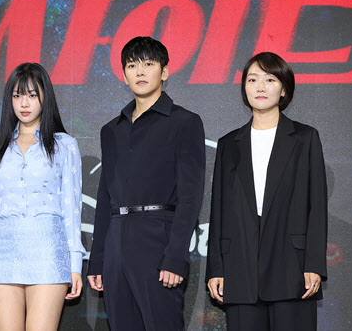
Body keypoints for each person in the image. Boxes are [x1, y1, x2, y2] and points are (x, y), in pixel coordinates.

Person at [87, 36, 205, 331]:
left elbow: (190, 197)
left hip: (158, 240)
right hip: (115, 243)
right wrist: (98, 260)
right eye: (132, 65)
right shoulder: (111, 130)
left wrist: (176, 257)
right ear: (124, 74)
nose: (139, 71)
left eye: (148, 64)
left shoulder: (184, 122)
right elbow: (104, 197)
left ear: (164, 72)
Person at [206, 52, 327, 331]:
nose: (260, 86)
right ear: (244, 89)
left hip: (292, 268)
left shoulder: (305, 138)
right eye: (252, 80)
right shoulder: (228, 144)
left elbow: (317, 206)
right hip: (239, 269)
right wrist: (217, 268)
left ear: (283, 89)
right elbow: (219, 210)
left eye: (270, 79)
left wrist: (314, 264)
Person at [0, 63, 86, 331]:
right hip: (2, 252)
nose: (24, 103)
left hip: (48, 251)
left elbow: (72, 209)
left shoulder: (64, 145)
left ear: (45, 97)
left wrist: (75, 263)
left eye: (32, 95)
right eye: (17, 95)